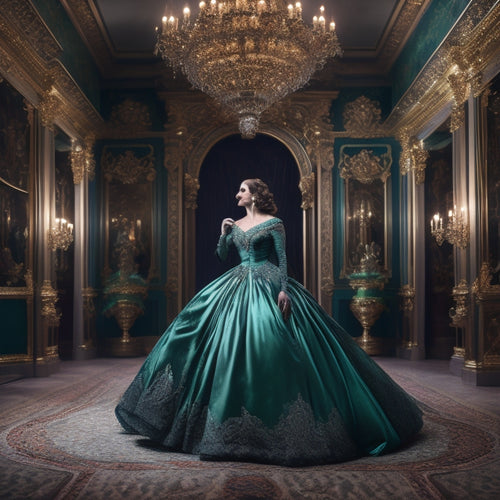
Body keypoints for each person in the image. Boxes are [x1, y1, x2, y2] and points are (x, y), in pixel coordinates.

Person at [115, 178, 423, 466]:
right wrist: (223, 235)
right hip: (235, 283)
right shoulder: (234, 225)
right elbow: (222, 256)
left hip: (269, 281)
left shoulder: (274, 224)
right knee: (195, 332)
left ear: (255, 195)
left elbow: (283, 259)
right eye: (238, 191)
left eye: (242, 190)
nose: (238, 195)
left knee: (277, 347)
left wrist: (284, 290)